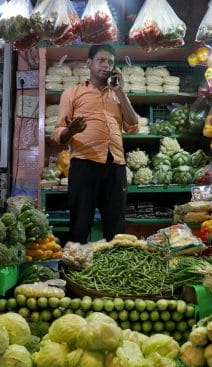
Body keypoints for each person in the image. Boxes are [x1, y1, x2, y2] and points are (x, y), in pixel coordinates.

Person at [51, 44, 139, 244]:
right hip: (84, 164)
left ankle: (113, 272)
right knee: (80, 226)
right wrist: (71, 131)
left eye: (110, 62)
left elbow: (133, 126)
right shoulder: (72, 93)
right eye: (101, 60)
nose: (106, 65)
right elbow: (56, 134)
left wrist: (121, 92)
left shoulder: (118, 95)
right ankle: (75, 270)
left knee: (116, 229)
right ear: (89, 63)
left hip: (116, 165)